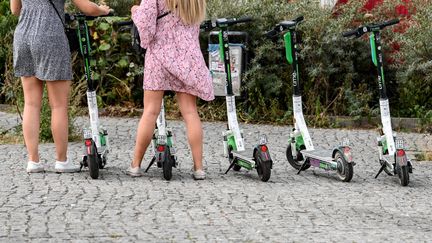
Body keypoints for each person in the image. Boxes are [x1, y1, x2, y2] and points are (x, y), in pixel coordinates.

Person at [10, 0, 111, 173]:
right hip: (50, 37)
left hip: (23, 37)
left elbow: (15, 10)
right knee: (58, 105)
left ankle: (33, 161)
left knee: (31, 104)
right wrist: (102, 10)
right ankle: (61, 161)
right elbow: (88, 8)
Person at [128, 0, 214, 179]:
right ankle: (199, 168)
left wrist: (135, 11)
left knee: (150, 111)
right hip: (188, 56)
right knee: (190, 113)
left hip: (159, 55)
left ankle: (135, 165)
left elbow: (146, 25)